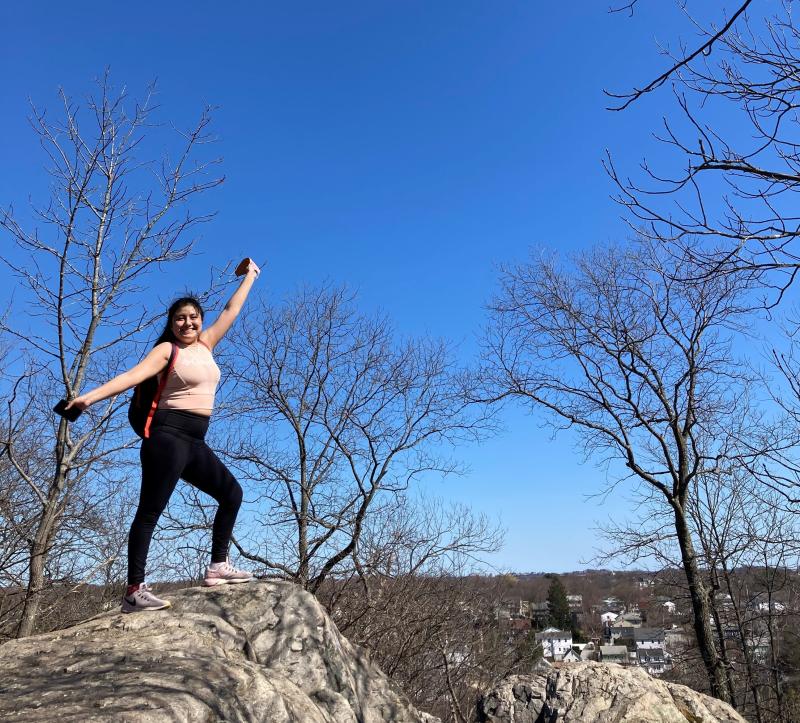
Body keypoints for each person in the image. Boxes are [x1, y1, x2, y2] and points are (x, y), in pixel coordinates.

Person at [66, 259, 261, 613]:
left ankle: (217, 566)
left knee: (232, 493)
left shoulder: (206, 344)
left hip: (195, 442)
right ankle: (134, 590)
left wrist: (251, 276)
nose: (188, 323)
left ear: (200, 320)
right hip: (166, 437)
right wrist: (88, 398)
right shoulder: (166, 351)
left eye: (193, 317)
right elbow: (131, 375)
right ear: (172, 324)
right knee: (150, 511)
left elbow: (232, 309)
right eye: (180, 319)